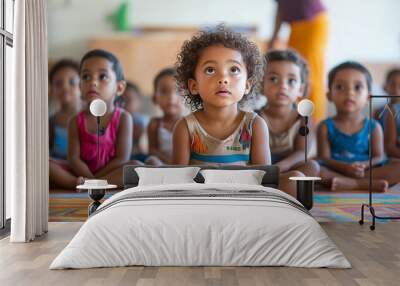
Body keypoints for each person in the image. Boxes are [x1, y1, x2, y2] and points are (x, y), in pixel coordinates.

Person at [173, 25, 303, 197]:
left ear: (247, 85)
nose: (223, 79)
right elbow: (178, 181)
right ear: (194, 85)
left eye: (233, 70)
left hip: (245, 194)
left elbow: (264, 178)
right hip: (202, 195)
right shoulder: (185, 127)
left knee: (297, 180)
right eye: (210, 70)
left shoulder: (255, 124)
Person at [317, 61, 400, 192]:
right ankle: (363, 184)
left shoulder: (374, 126)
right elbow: (324, 158)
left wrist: (364, 165)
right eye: (340, 87)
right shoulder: (325, 126)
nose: (350, 92)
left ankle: (352, 183)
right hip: (336, 170)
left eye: (357, 87)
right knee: (312, 168)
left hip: (365, 170)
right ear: (329, 95)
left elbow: (379, 157)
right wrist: (345, 168)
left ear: (368, 97)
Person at [68, 49, 138, 188]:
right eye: (86, 77)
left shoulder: (123, 118)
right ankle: (83, 184)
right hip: (81, 174)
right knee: (46, 164)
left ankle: (93, 185)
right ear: (80, 86)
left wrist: (96, 179)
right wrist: (88, 177)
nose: (93, 82)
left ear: (119, 87)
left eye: (103, 77)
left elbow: (122, 158)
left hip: (110, 174)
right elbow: (73, 159)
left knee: (136, 167)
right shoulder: (75, 121)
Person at [259, 49, 319, 177]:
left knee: (313, 166)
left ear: (301, 90)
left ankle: (275, 183)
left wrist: (280, 167)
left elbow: (302, 152)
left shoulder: (304, 119)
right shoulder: (254, 117)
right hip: (262, 166)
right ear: (260, 86)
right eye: (274, 79)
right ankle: (278, 184)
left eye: (291, 81)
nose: (283, 86)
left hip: (289, 166)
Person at [269, 0, 328, 122]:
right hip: (295, 26)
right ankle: (298, 120)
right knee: (293, 72)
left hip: (313, 22)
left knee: (310, 75)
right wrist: (274, 36)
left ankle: (315, 123)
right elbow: (281, 7)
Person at [49, 59, 81, 188]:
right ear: (52, 90)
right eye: (58, 83)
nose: (65, 87)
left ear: (82, 86)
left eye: (72, 82)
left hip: (89, 167)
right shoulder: (51, 122)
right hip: (64, 169)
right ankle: (74, 183)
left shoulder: (92, 117)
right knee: (43, 164)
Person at [146, 68, 185, 165]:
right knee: (151, 161)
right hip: (164, 165)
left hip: (185, 164)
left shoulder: (190, 123)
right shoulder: (155, 124)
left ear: (188, 97)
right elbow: (152, 150)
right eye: (164, 91)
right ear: (155, 98)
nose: (171, 97)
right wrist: (170, 163)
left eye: (178, 91)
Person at [116, 81, 149, 161]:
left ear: (140, 102)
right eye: (120, 101)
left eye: (128, 100)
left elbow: (146, 148)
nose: (123, 105)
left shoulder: (144, 121)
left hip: (142, 155)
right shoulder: (116, 121)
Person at [382, 69, 400, 158]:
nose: (396, 89)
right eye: (393, 84)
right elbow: (389, 147)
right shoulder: (379, 111)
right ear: (384, 87)